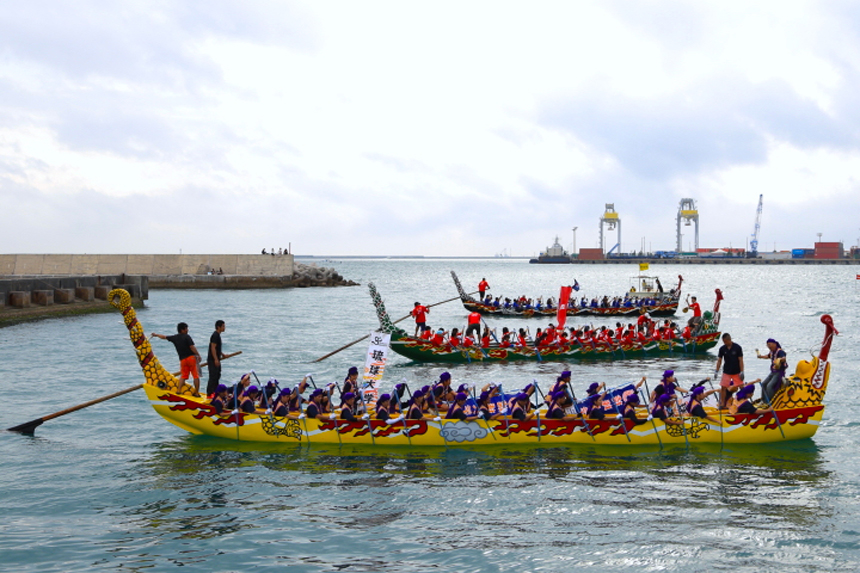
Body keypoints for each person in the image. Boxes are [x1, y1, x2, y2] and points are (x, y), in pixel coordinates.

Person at [151, 322, 202, 395]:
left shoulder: (174, 337)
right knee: (195, 375)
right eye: (186, 329)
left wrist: (156, 335)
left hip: (182, 360)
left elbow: (164, 337)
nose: (187, 330)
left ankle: (178, 390)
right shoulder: (187, 337)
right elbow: (192, 347)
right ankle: (196, 393)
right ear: (182, 330)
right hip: (191, 358)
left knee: (183, 375)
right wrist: (198, 355)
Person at [715, 333, 744, 409]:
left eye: (725, 341)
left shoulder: (737, 347)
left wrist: (742, 371)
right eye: (723, 342)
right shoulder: (722, 349)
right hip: (726, 371)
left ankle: (744, 401)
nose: (724, 343)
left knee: (741, 387)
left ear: (729, 340)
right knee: (723, 387)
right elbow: (719, 360)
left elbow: (740, 360)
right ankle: (722, 404)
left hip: (736, 371)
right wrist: (716, 371)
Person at [757, 338, 787, 404]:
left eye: (769, 345)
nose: (769, 346)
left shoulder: (780, 351)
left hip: (779, 372)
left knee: (769, 386)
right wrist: (761, 356)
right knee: (764, 383)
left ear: (774, 344)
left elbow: (784, 357)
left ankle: (770, 401)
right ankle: (763, 399)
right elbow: (768, 356)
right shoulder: (772, 352)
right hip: (773, 372)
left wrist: (780, 360)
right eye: (767, 345)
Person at [206, 320, 227, 397]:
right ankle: (209, 393)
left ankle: (216, 392)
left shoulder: (218, 335)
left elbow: (217, 348)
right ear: (218, 327)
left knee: (217, 375)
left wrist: (222, 354)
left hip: (216, 358)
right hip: (212, 360)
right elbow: (213, 347)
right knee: (213, 376)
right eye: (223, 326)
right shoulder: (215, 335)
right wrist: (215, 359)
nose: (224, 328)